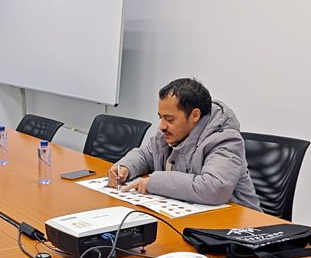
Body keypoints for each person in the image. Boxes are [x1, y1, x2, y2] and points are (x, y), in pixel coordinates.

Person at [107, 78, 261, 210]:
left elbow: (215, 188)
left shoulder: (225, 140)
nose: (162, 126)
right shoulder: (171, 132)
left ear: (195, 115)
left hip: (238, 226)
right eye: (160, 117)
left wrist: (154, 182)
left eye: (169, 119)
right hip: (193, 216)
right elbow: (146, 154)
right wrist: (125, 168)